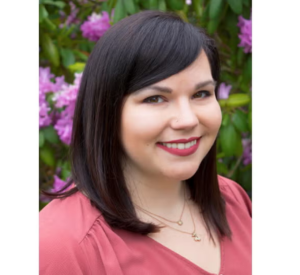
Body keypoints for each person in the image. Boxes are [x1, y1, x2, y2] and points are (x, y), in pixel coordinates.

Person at [39, 10, 251, 275]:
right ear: (107, 111)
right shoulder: (60, 247)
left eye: (201, 93)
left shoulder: (232, 200)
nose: (187, 119)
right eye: (155, 98)